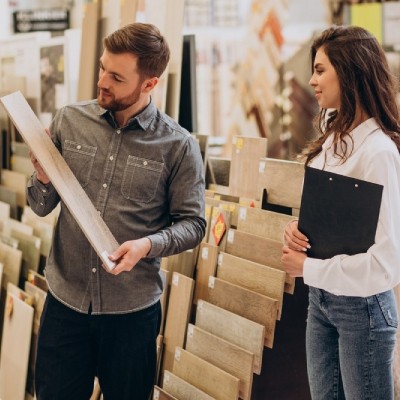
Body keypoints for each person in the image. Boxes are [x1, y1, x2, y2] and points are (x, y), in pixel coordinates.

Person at [28, 22, 206, 400]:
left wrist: (148, 244)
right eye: (102, 68)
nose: (102, 81)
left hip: (131, 315)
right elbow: (40, 207)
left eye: (116, 77)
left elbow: (194, 224)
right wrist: (43, 179)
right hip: (65, 306)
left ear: (149, 84)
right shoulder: (69, 121)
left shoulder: (178, 146)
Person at [281, 25, 400, 399]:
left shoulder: (377, 153)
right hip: (321, 302)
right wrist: (298, 230)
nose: (312, 80)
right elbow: (336, 222)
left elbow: (385, 264)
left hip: (362, 312)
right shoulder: (332, 140)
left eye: (320, 70)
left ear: (348, 72)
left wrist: (307, 268)